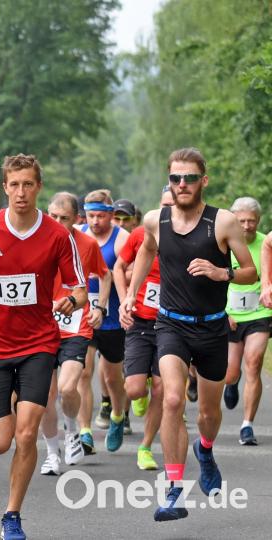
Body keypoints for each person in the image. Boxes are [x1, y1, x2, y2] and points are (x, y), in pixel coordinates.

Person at [0, 154, 86, 540]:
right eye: (14, 185)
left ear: (38, 187)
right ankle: (9, 403)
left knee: (26, 435)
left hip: (38, 344)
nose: (21, 192)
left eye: (28, 184)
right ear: (4, 188)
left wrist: (71, 302)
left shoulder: (58, 236)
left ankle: (12, 515)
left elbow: (79, 290)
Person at [124, 147, 256, 521]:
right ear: (168, 181)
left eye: (190, 178)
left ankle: (207, 450)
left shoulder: (223, 222)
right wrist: (131, 294)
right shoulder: (155, 220)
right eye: (175, 178)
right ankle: (173, 491)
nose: (182, 185)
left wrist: (221, 273)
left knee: (209, 414)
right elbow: (146, 253)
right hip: (170, 325)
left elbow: (250, 272)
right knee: (170, 398)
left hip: (212, 326)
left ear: (204, 181)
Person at [39, 193, 108, 476]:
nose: (56, 222)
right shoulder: (35, 241)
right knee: (45, 395)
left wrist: (100, 307)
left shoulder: (87, 244)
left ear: (77, 220)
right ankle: (52, 454)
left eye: (63, 218)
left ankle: (72, 432)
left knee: (68, 387)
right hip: (41, 327)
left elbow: (105, 275)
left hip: (75, 326)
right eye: (52, 216)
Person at [116, 186, 174, 471]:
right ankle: (118, 413)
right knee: (136, 389)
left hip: (171, 324)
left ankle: (145, 447)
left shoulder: (192, 238)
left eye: (173, 205)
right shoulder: (142, 234)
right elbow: (119, 267)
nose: (168, 210)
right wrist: (125, 298)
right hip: (140, 320)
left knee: (162, 389)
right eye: (164, 204)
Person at [80, 189, 130, 453]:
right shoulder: (78, 236)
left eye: (100, 216)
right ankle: (85, 431)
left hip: (112, 320)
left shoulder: (122, 239)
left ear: (111, 215)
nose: (95, 221)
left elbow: (132, 274)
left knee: (112, 379)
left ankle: (118, 416)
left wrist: (112, 275)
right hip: (85, 316)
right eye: (91, 215)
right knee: (84, 373)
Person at [223, 197, 268, 446]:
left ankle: (247, 425)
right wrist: (223, 311)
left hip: (259, 313)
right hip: (231, 314)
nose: (247, 226)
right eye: (242, 221)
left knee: (254, 362)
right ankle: (232, 382)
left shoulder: (266, 244)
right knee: (230, 373)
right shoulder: (225, 244)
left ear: (258, 221)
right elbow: (213, 280)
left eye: (251, 220)